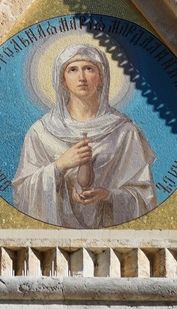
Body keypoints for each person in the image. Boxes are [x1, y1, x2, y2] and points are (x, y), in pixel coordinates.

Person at [11, 40, 156, 227]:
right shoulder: (41, 132)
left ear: (101, 77)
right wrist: (60, 165)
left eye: (89, 69)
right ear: (62, 79)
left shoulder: (125, 132)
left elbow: (145, 196)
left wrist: (107, 195)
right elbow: (23, 191)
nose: (81, 77)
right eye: (72, 70)